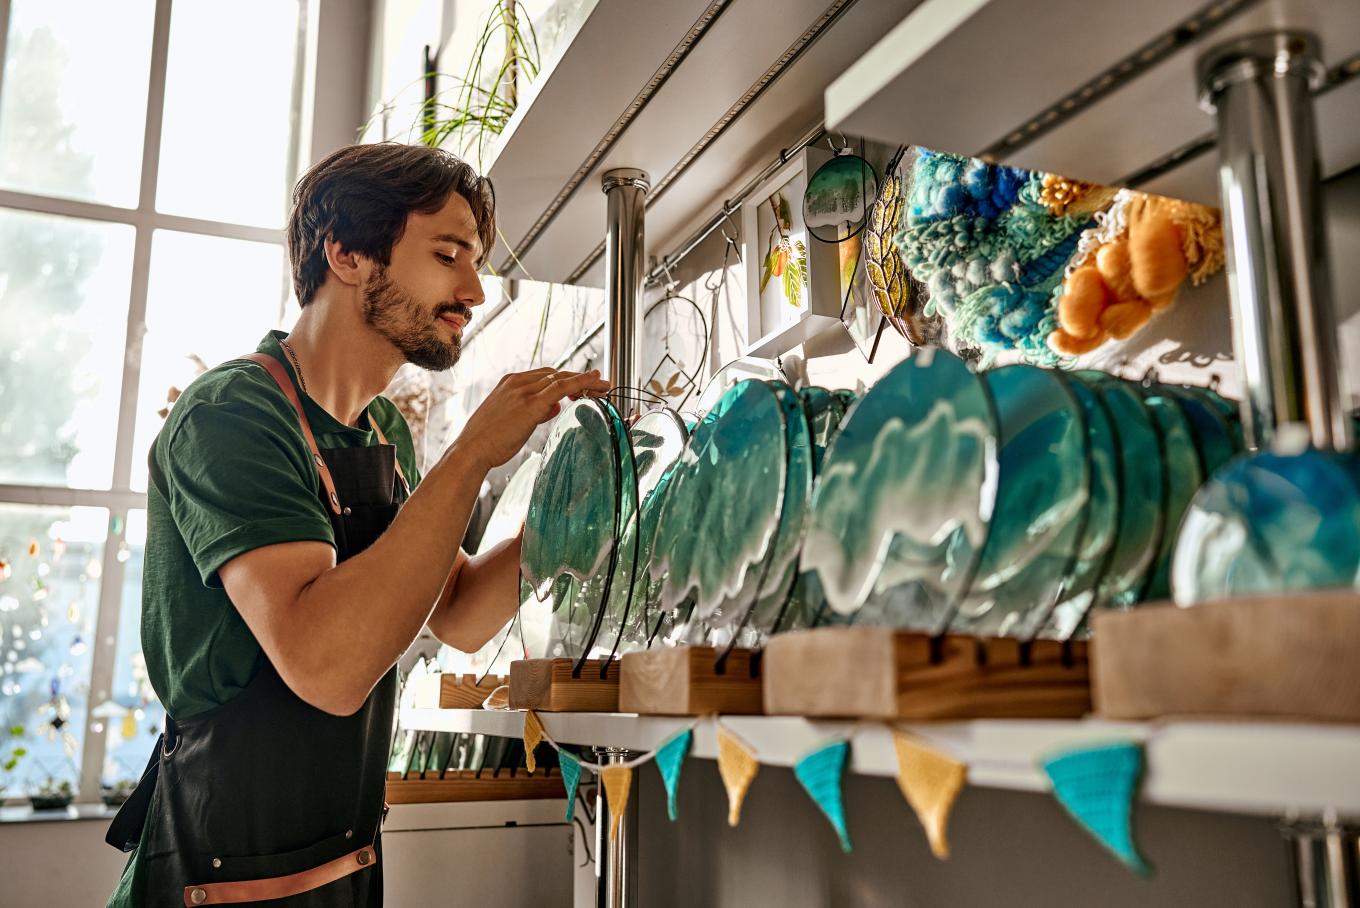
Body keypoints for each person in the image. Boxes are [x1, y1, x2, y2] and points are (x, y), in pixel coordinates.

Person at [105, 142, 609, 907]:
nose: (473, 289)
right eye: (448, 254)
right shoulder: (235, 414)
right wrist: (474, 449)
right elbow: (326, 667)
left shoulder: (382, 436)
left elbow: (465, 612)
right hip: (219, 881)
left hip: (342, 870)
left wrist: (591, 502)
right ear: (344, 252)